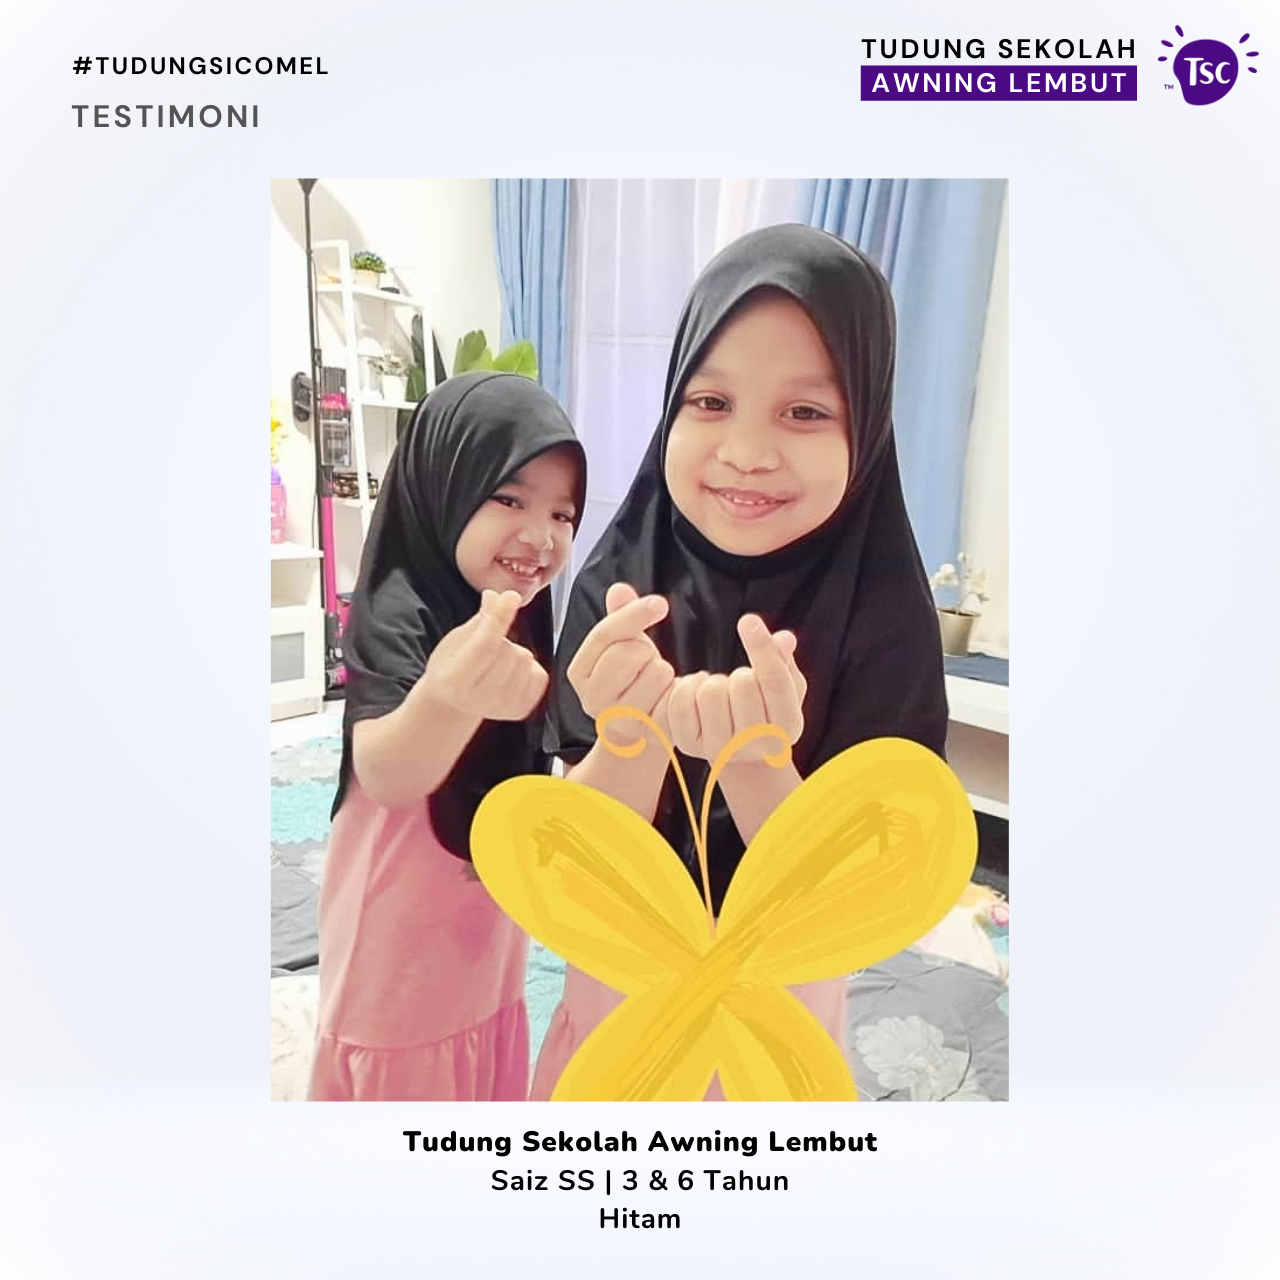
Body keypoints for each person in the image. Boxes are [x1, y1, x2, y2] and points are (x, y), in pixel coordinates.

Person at [533, 223, 947, 1100]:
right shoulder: (619, 586)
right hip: (621, 974)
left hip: (778, 1002)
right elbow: (576, 857)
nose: (747, 453)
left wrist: (760, 763)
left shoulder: (883, 615)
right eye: (712, 401)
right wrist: (628, 742)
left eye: (805, 412)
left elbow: (862, 899)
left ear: (867, 423)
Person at [308, 371, 586, 1101]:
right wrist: (449, 697)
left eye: (563, 513)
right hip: (395, 934)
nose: (541, 536)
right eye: (510, 499)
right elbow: (386, 770)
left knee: (476, 1057)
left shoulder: (517, 612)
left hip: (480, 929)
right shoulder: (399, 609)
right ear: (445, 488)